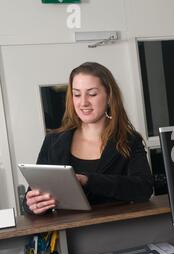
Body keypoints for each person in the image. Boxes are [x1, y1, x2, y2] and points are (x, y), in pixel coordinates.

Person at [25, 62, 153, 215]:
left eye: (92, 94)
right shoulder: (53, 141)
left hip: (116, 231)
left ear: (109, 96)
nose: (83, 102)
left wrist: (87, 180)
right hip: (67, 235)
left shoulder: (129, 140)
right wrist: (33, 205)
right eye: (77, 94)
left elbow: (143, 189)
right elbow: (33, 199)